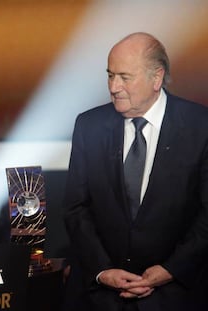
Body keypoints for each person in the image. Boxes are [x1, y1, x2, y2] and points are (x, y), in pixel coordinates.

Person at [62, 32, 208, 310]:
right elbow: (75, 208)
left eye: (125, 77)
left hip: (178, 294)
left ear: (157, 78)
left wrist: (170, 270)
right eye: (110, 75)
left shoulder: (201, 127)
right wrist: (103, 271)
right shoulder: (88, 126)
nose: (114, 87)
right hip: (99, 296)